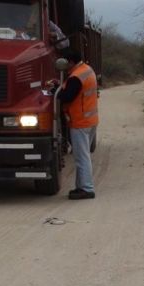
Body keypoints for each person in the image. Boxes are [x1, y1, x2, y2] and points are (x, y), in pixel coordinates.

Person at [57, 48, 99, 200]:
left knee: (82, 157)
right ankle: (80, 187)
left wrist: (57, 90)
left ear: (70, 61)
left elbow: (66, 96)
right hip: (90, 120)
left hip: (80, 122)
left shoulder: (76, 77)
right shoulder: (86, 70)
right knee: (83, 156)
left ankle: (87, 189)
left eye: (65, 61)